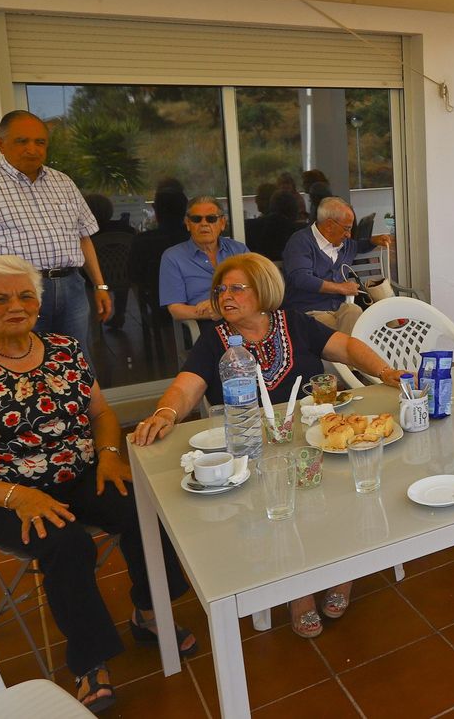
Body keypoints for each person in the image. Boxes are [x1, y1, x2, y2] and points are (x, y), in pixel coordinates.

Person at [0, 256, 194, 714]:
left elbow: (102, 414)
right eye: (0, 298)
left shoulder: (64, 350)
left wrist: (107, 456)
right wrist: (19, 495)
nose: (16, 306)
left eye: (26, 296)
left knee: (141, 508)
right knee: (65, 543)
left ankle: (149, 612)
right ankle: (90, 661)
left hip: (77, 474)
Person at [130, 253, 404, 639]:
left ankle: (346, 571)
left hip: (318, 436)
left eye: (236, 288)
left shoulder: (293, 323)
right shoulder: (216, 342)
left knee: (355, 485)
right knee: (279, 501)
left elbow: (346, 347)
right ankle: (299, 590)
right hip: (259, 447)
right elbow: (187, 384)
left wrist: (385, 371)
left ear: (263, 292)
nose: (225, 296)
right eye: (220, 289)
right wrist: (165, 412)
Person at [0, 111, 113, 345]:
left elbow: (83, 237)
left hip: (71, 288)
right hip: (14, 294)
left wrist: (100, 285)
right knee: (22, 366)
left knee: (76, 362)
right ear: (0, 144)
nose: (32, 149)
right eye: (21, 141)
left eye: (40, 142)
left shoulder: (63, 182)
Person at [283, 197, 393, 335]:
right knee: (335, 328)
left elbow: (357, 246)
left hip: (338, 308)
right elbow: (301, 278)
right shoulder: (300, 242)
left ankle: (347, 353)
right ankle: (347, 353)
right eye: (346, 228)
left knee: (354, 311)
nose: (348, 235)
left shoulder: (343, 244)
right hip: (308, 310)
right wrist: (340, 288)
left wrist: (373, 241)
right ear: (329, 225)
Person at [158, 196, 248, 324]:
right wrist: (212, 312)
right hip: (206, 324)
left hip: (244, 318)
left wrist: (221, 307)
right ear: (188, 224)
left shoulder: (239, 250)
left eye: (211, 219)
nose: (204, 223)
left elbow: (256, 288)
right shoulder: (173, 257)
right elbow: (176, 310)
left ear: (222, 223)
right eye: (196, 219)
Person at [86, 194, 135, 330]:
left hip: (95, 280)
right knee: (123, 268)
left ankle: (96, 327)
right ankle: (119, 314)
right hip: (123, 276)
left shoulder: (87, 235)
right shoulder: (125, 229)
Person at [246, 184, 300, 258]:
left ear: (270, 201)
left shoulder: (253, 227)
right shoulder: (296, 230)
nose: (256, 201)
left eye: (259, 197)